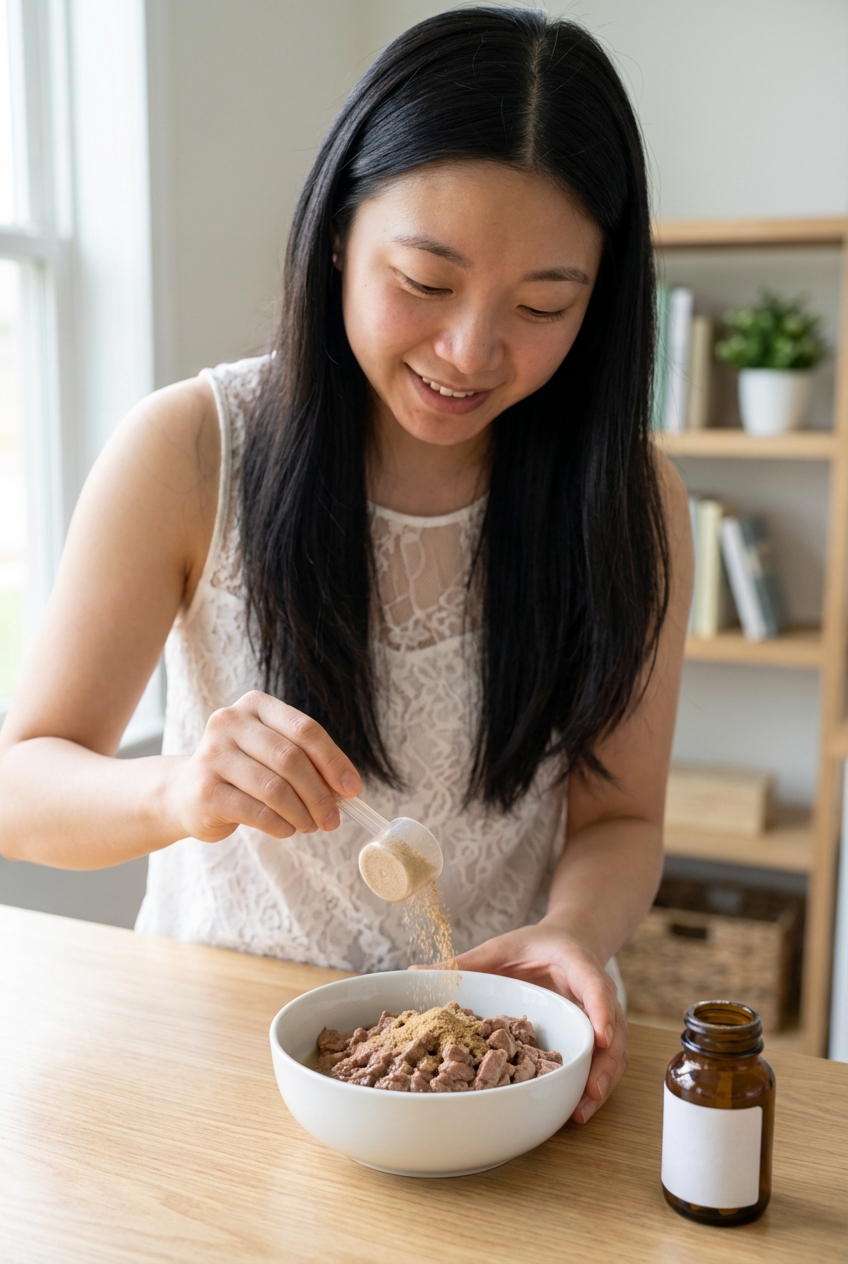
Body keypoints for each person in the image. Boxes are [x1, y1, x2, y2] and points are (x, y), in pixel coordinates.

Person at [0, 8, 691, 1124]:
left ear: (599, 300)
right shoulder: (190, 449)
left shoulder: (629, 502)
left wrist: (572, 933)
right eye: (423, 280)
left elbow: (620, 821)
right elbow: (19, 785)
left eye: (541, 306)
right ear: (336, 233)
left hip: (487, 1073)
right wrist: (179, 791)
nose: (469, 351)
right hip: (211, 1056)